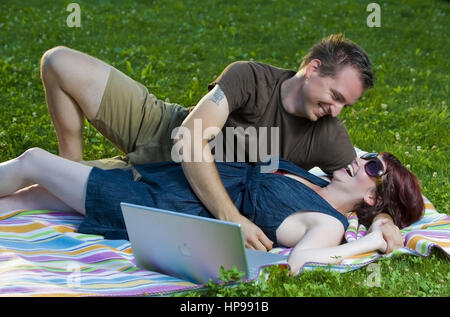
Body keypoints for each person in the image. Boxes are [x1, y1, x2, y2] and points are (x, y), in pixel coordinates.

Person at [39, 33, 402, 251]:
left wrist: (385, 219)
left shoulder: (328, 133)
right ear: (314, 69)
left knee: (44, 183)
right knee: (59, 61)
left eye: (345, 105)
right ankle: (72, 160)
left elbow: (366, 184)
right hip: (158, 128)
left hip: (168, 185)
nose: (336, 111)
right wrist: (230, 218)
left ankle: (75, 172)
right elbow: (190, 137)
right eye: (335, 96)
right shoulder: (250, 77)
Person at [0, 148, 424, 273]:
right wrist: (385, 219)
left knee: (34, 162)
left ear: (372, 195)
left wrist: (370, 239)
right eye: (366, 154)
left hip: (158, 203)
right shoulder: (315, 180)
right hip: (169, 179)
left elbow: (302, 260)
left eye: (371, 167)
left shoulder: (328, 223)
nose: (359, 159)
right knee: (34, 195)